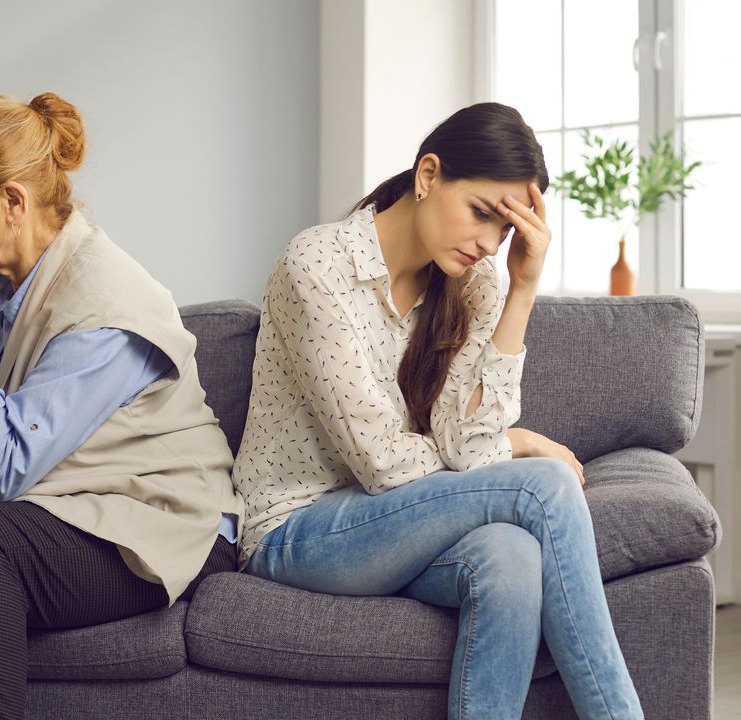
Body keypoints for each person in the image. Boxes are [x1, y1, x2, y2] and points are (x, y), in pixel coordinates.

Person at [232, 102, 643, 719]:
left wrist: (523, 287)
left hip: (400, 526)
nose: (489, 243)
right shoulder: (316, 266)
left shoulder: (475, 282)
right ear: (428, 175)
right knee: (546, 486)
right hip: (296, 530)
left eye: (505, 230)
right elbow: (383, 465)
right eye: (482, 213)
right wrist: (516, 442)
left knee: (511, 558)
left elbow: (468, 447)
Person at [0, 92, 243, 720]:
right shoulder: (12, 289)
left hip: (160, 523)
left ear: (12, 202)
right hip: (75, 506)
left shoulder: (104, 301)